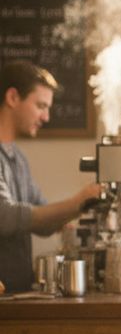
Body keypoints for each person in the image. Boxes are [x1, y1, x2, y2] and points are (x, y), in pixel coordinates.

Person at [0, 59, 102, 294]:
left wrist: (82, 205)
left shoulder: (19, 159)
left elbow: (43, 223)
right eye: (41, 106)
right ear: (13, 97)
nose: (46, 117)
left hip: (16, 293)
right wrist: (76, 201)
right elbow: (5, 216)